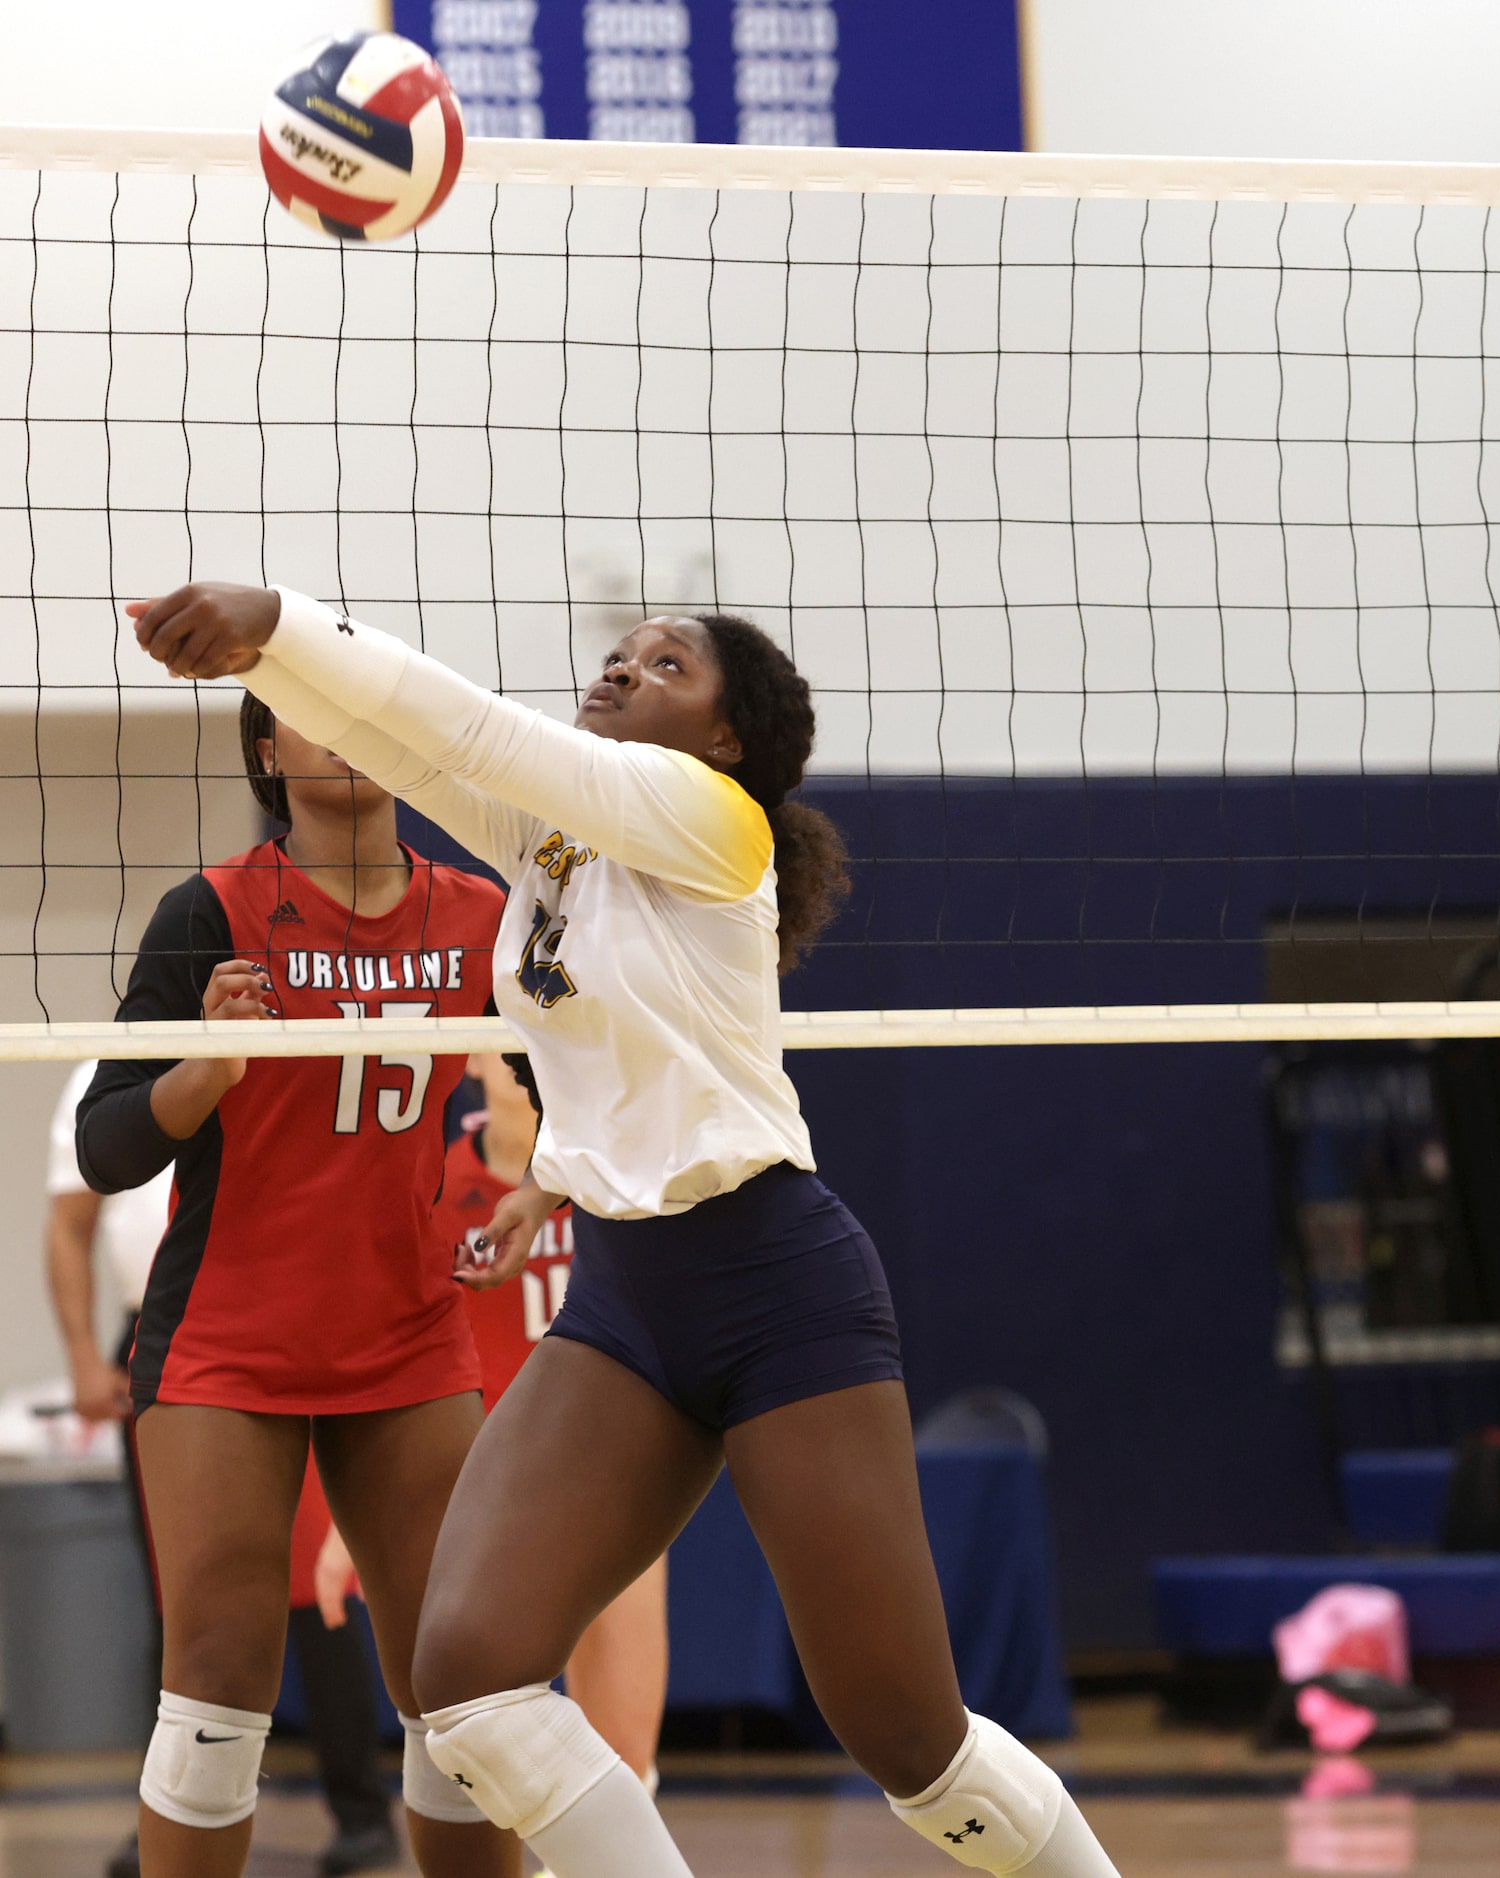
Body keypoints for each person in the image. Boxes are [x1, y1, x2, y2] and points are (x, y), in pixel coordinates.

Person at [127, 580, 1122, 1878]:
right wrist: (266, 659)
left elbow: (470, 729)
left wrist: (279, 619)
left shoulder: (714, 820)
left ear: (726, 737)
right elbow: (414, 748)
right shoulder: (552, 839)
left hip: (773, 1284)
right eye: (621, 652)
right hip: (622, 1304)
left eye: (669, 663)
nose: (624, 666)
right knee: (470, 1679)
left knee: (909, 1743)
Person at [75, 697, 522, 1878]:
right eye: (312, 713)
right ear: (269, 751)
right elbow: (104, 1147)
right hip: (227, 1345)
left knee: (460, 1683)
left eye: (366, 708)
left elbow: (575, 1096)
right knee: (219, 1675)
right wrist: (208, 1068)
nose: (346, 729)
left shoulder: (481, 914)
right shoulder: (209, 912)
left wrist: (544, 1193)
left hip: (409, 1342)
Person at [48, 1066, 402, 1878]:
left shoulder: (278, 1044)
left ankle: (361, 1812)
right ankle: (164, 1822)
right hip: (164, 1332)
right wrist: (76, 1354)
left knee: (321, 1590)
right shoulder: (92, 1074)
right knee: (183, 1598)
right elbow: (67, 1223)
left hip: (282, 1315)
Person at [435, 1053, 668, 1784]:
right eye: (504, 1037)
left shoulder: (610, 1168)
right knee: (493, 1718)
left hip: (612, 1459)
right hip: (494, 1481)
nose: (522, 1055)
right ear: (472, 1055)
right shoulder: (435, 1186)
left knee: (626, 1739)